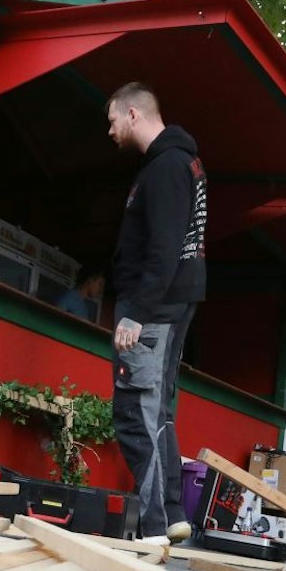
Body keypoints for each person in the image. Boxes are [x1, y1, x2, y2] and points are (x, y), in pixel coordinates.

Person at [105, 82, 208, 545]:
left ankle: (152, 529)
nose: (110, 131)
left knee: (135, 412)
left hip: (154, 308)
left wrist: (136, 314)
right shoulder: (179, 162)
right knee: (157, 412)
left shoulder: (166, 167)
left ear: (133, 114)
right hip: (169, 304)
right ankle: (170, 514)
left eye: (112, 121)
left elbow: (165, 248)